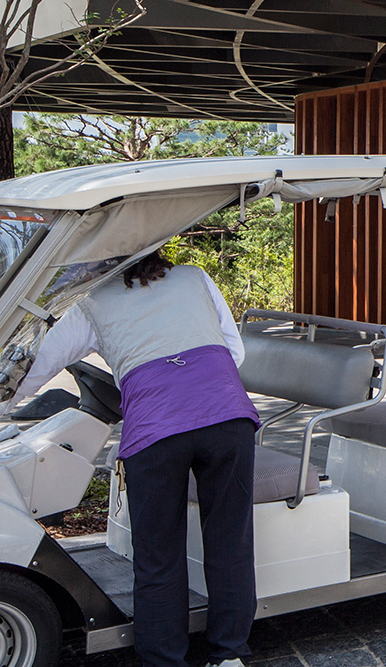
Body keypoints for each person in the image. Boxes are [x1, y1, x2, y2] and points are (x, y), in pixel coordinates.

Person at [19, 251, 259, 667]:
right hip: (227, 417)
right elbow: (233, 352)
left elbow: (36, 369)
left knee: (158, 558)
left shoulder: (91, 302)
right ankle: (229, 654)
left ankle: (164, 660)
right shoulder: (194, 277)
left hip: (157, 431)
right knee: (230, 542)